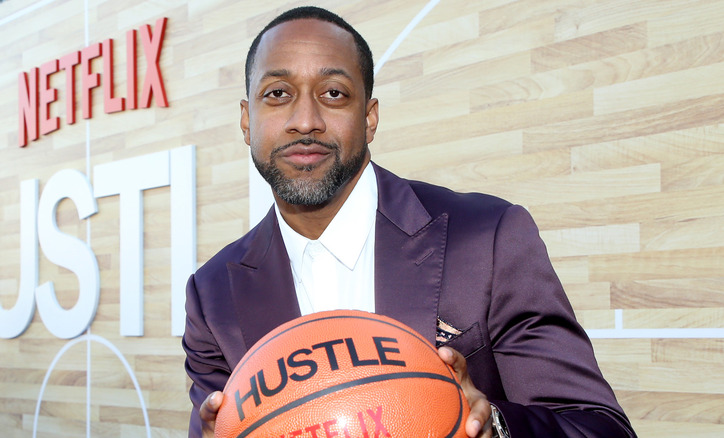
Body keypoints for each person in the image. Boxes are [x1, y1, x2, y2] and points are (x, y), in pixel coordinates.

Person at [183, 6, 637, 438]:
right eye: (278, 94)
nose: (306, 121)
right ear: (247, 120)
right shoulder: (213, 295)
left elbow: (598, 426)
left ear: (370, 117)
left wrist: (492, 425)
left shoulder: (487, 237)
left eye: (334, 94)